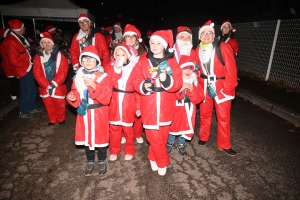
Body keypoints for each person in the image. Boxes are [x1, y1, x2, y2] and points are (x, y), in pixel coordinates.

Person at [131, 30, 183, 176]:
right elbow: (134, 80)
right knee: (152, 137)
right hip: (149, 105)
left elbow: (178, 82)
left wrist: (166, 78)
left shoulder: (172, 62)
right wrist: (143, 86)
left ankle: (152, 157)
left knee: (162, 137)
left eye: (158, 43)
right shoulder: (143, 61)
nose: (154, 46)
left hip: (166, 106)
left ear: (165, 45)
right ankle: (163, 161)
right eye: (152, 42)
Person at [66, 45, 112, 177]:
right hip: (85, 113)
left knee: (101, 138)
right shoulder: (78, 77)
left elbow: (106, 97)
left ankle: (102, 160)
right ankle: (90, 160)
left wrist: (93, 85)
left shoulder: (103, 77)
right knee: (87, 138)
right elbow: (75, 91)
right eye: (85, 59)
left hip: (99, 113)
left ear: (97, 61)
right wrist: (72, 97)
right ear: (81, 61)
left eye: (91, 59)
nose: (88, 61)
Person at [195, 20, 238, 156]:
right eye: (203, 33)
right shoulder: (197, 49)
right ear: (199, 36)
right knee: (204, 114)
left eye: (209, 33)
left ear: (213, 35)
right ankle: (203, 136)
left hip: (221, 87)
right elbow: (196, 69)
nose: (206, 35)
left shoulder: (223, 47)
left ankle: (224, 143)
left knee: (223, 117)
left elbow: (232, 69)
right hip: (204, 87)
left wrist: (229, 88)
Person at [106, 43, 140, 161]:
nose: (120, 57)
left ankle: (129, 149)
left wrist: (138, 106)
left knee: (128, 130)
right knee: (114, 129)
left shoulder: (134, 69)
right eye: (117, 54)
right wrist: (116, 69)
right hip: (114, 101)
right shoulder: (110, 67)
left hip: (128, 102)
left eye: (123, 54)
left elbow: (137, 90)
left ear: (128, 56)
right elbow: (107, 83)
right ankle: (114, 150)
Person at [4, 19, 43, 118]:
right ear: (19, 29)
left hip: (28, 68)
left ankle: (31, 107)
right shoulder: (10, 41)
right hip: (23, 70)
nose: (25, 28)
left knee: (32, 89)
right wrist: (27, 67)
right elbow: (13, 60)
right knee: (26, 91)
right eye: (23, 27)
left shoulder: (19, 37)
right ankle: (23, 111)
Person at [167, 56, 203, 157]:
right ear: (180, 69)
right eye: (185, 68)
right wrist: (180, 89)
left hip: (189, 110)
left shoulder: (195, 82)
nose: (188, 71)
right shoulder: (175, 81)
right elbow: (170, 96)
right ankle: (170, 142)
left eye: (190, 68)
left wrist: (192, 91)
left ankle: (181, 144)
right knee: (173, 127)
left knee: (185, 127)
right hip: (177, 109)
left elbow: (199, 99)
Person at [33, 31, 69, 125]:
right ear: (41, 44)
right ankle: (52, 119)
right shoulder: (37, 57)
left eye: (48, 42)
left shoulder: (60, 56)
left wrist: (55, 83)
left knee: (59, 103)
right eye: (44, 42)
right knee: (48, 104)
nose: (46, 44)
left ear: (52, 43)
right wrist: (45, 84)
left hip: (57, 86)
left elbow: (63, 71)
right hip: (44, 86)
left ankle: (61, 118)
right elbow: (37, 72)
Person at [122, 24, 147, 144]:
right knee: (124, 111)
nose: (131, 39)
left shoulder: (143, 52)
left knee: (139, 112)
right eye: (128, 36)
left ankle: (137, 133)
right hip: (124, 87)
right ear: (124, 38)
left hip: (138, 86)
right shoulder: (119, 51)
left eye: (133, 36)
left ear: (137, 39)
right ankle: (123, 133)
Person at [0, 28, 19, 105]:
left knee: (15, 82)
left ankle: (13, 96)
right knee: (14, 82)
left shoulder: (5, 42)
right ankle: (13, 98)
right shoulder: (6, 43)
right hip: (8, 66)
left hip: (9, 65)